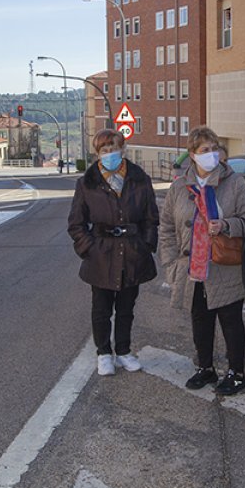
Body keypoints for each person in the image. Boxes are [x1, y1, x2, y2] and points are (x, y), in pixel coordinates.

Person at [159, 126, 245, 396]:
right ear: (192, 155)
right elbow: (167, 227)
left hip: (224, 265)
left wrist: (227, 225)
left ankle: (237, 374)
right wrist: (170, 265)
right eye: (204, 150)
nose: (211, 154)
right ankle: (205, 368)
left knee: (231, 321)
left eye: (214, 148)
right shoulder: (180, 186)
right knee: (200, 321)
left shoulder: (234, 182)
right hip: (191, 267)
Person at [67, 129, 160, 376]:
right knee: (101, 309)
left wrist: (146, 246)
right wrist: (88, 248)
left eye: (114, 148)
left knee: (126, 309)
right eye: (104, 150)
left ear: (123, 148)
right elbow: (76, 223)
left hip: (132, 253)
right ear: (97, 154)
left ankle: (124, 351)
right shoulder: (87, 183)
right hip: (101, 255)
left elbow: (151, 218)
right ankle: (104, 353)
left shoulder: (140, 179)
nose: (110, 154)